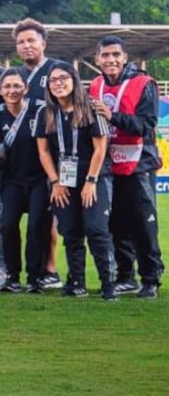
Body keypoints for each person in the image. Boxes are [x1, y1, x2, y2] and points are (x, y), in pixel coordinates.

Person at [89, 37, 162, 298]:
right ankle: (125, 276)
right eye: (105, 55)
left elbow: (146, 124)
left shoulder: (144, 84)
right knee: (115, 223)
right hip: (107, 164)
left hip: (138, 163)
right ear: (97, 59)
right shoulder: (95, 85)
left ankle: (151, 279)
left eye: (115, 55)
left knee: (143, 223)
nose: (110, 60)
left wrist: (112, 117)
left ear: (125, 57)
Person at [36, 63, 116, 300]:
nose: (58, 83)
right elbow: (43, 151)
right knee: (70, 231)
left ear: (74, 80)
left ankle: (108, 283)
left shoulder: (90, 108)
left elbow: (101, 147)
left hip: (93, 176)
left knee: (96, 229)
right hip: (63, 179)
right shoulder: (46, 113)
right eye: (53, 80)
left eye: (63, 78)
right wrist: (55, 181)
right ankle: (77, 282)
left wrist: (91, 181)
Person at [12, 18, 69, 290]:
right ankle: (24, 271)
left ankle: (51, 269)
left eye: (31, 40)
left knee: (51, 220)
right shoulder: (15, 77)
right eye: (21, 42)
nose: (26, 46)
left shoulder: (57, 71)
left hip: (54, 157)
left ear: (43, 43)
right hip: (23, 161)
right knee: (28, 221)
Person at [0, 68, 51, 294]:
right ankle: (12, 277)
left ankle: (35, 278)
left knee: (36, 227)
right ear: (0, 90)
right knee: (7, 225)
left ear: (26, 88)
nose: (12, 91)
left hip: (39, 180)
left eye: (16, 86)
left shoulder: (41, 110)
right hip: (11, 181)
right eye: (7, 86)